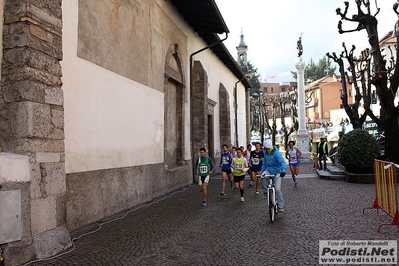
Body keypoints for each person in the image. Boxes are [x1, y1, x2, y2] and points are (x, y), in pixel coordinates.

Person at [261, 139, 286, 212]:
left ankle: (280, 206)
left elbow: (282, 162)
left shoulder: (276, 153)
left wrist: (283, 171)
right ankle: (265, 191)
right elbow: (264, 164)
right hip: (268, 170)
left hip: (277, 172)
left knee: (278, 189)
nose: (263, 148)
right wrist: (262, 172)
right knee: (263, 177)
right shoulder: (266, 153)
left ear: (267, 147)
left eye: (264, 147)